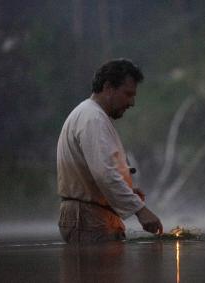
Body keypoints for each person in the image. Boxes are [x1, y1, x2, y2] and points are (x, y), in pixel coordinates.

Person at [57, 58, 163, 243]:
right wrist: (140, 210)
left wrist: (127, 190)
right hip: (88, 218)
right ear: (108, 88)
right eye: (128, 94)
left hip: (90, 215)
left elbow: (99, 172)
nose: (132, 102)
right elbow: (104, 173)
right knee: (98, 272)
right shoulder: (93, 119)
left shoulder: (89, 114)